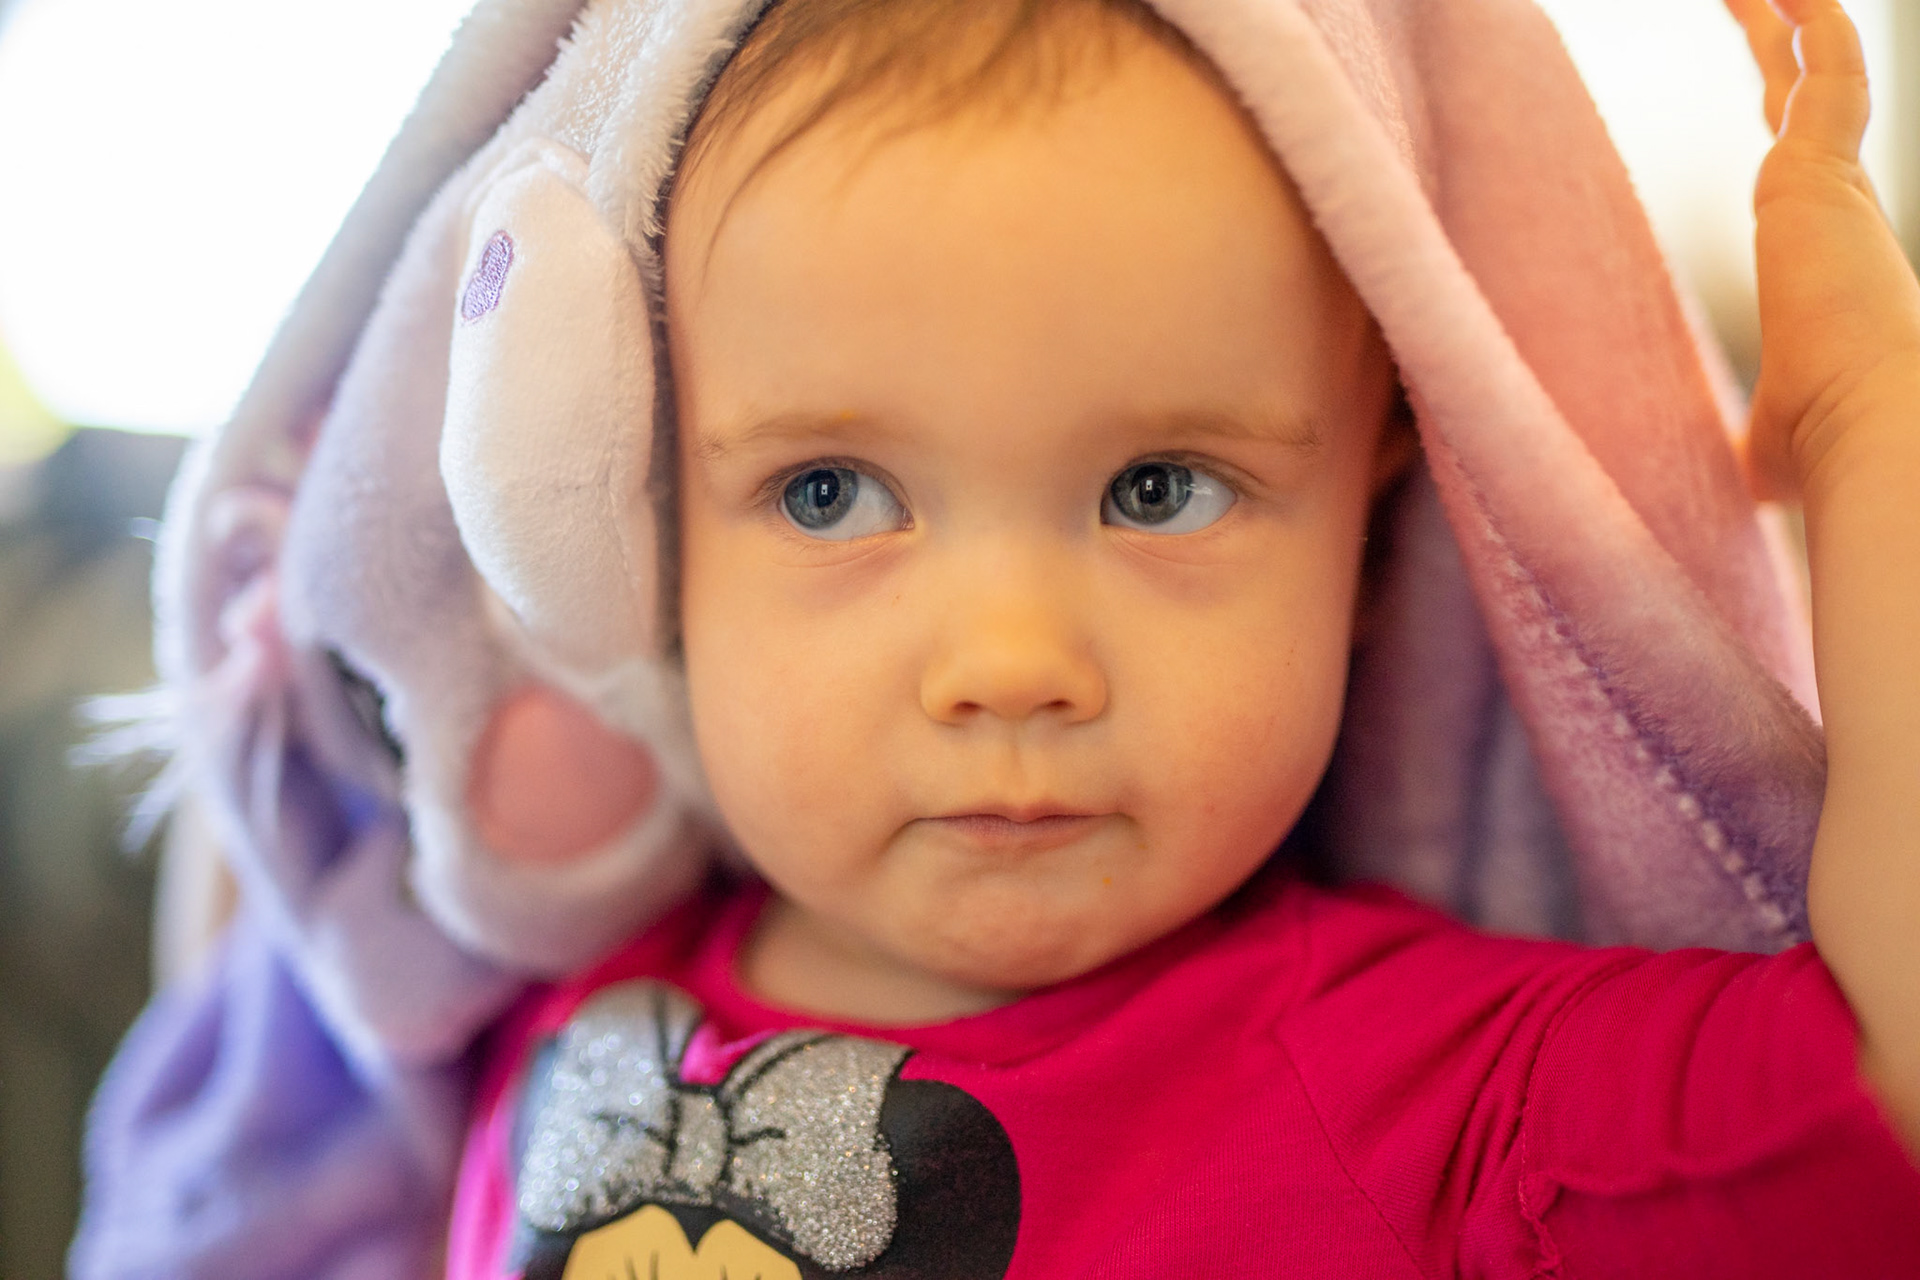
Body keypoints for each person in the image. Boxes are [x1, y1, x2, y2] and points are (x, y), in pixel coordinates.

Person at [71, 0, 1920, 1276]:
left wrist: (1870, 430)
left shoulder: (1439, 1095)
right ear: (648, 527)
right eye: (828, 494)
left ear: (1374, 520)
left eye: (1160, 489)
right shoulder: (535, 1010)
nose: (1009, 661)